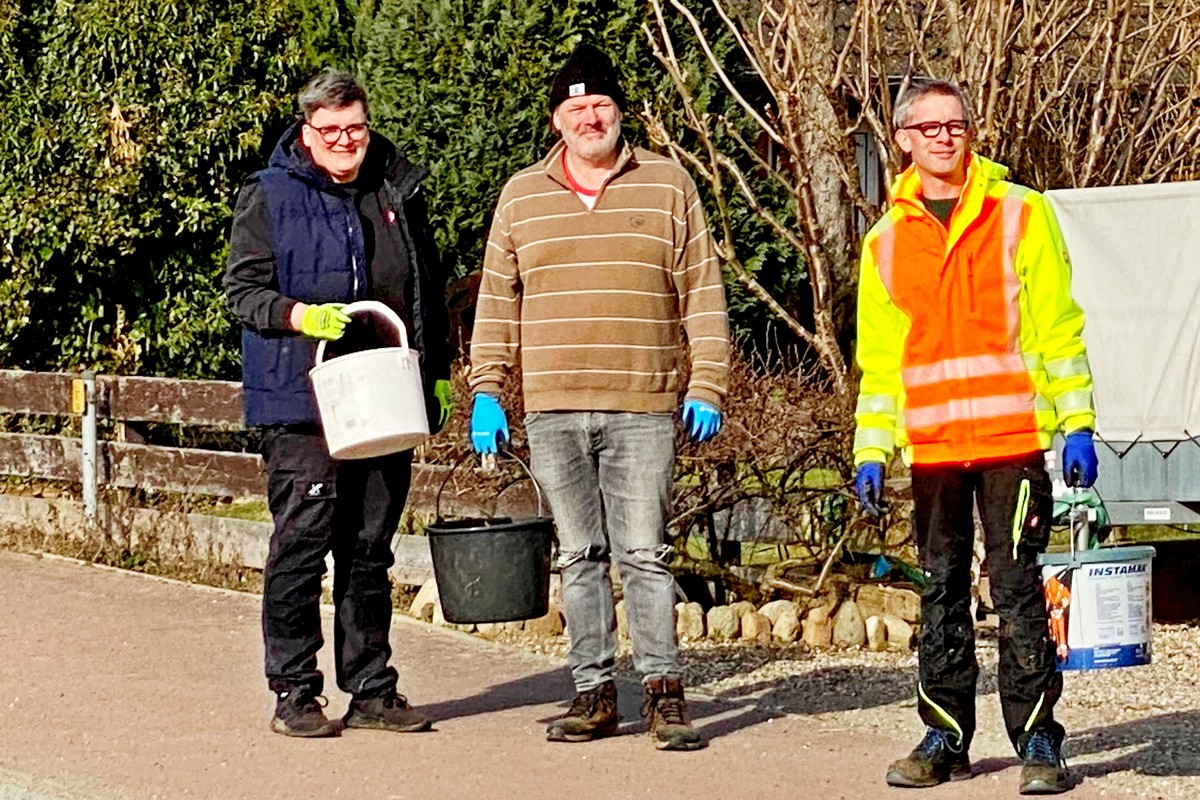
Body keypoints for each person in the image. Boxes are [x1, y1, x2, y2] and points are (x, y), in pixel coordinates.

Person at [467, 43, 729, 751]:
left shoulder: (668, 184)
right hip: (552, 407)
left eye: (601, 105)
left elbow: (703, 292)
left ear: (620, 113)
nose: (590, 117)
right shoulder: (521, 195)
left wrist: (707, 382)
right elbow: (496, 302)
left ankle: (664, 693)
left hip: (643, 405)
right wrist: (487, 388)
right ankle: (593, 694)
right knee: (578, 555)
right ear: (557, 120)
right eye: (576, 107)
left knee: (644, 553)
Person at [852, 78, 1098, 795]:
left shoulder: (1021, 211)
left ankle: (1039, 742)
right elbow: (882, 363)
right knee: (941, 595)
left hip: (1012, 441)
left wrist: (1078, 424)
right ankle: (944, 738)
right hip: (932, 450)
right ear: (903, 139)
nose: (943, 138)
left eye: (954, 125)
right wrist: (872, 449)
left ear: (969, 131)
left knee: (1018, 593)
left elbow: (1058, 327)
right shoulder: (884, 240)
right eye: (928, 128)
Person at [225, 71, 452, 738]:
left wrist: (436, 372)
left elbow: (425, 290)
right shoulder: (270, 195)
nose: (346, 140)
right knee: (303, 544)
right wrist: (299, 315)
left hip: (385, 393)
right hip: (301, 401)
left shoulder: (395, 190)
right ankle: (295, 690)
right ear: (307, 132)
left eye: (356, 127)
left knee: (369, 547)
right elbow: (243, 292)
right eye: (331, 130)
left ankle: (372, 687)